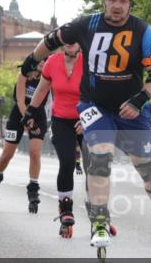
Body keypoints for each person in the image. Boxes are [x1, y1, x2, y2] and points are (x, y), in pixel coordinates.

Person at [18, 0, 151, 259]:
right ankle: (99, 222)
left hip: (132, 107)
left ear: (130, 5)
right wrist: (31, 60)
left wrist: (139, 99)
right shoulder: (86, 24)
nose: (117, 6)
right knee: (99, 156)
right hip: (94, 105)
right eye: (112, 0)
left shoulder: (144, 31)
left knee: (148, 166)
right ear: (104, 1)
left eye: (123, 1)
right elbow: (51, 39)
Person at [23, 41, 98, 238]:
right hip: (62, 119)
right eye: (67, 41)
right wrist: (30, 111)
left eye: (75, 41)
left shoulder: (90, 63)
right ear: (62, 44)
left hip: (88, 117)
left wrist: (88, 119)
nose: (71, 44)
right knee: (66, 162)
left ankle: (97, 212)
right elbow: (41, 90)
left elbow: (101, 95)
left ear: (80, 43)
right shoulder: (52, 63)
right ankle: (65, 209)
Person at [0, 60, 48, 212]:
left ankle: (33, 189)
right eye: (40, 60)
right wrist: (27, 119)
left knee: (34, 153)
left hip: (38, 116)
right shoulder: (23, 75)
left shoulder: (48, 77)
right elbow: (20, 100)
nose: (43, 63)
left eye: (46, 61)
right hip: (18, 114)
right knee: (7, 154)